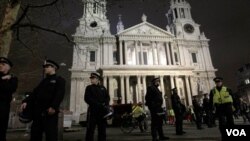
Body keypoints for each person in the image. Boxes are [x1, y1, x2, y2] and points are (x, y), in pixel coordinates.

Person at [20, 59, 65, 141]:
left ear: (54, 68)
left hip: (49, 112)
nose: (45, 68)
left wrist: (53, 107)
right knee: (35, 135)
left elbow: (59, 95)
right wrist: (25, 101)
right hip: (38, 113)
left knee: (51, 136)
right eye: (45, 67)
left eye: (47, 66)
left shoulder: (59, 80)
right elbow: (34, 93)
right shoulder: (44, 81)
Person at [84, 72, 111, 141]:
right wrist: (98, 104)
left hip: (102, 112)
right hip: (93, 111)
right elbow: (87, 98)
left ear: (98, 79)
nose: (91, 79)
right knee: (90, 130)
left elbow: (107, 97)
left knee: (102, 130)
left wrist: (106, 105)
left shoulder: (103, 88)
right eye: (91, 78)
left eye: (93, 78)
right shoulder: (89, 88)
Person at [209, 76, 234, 141]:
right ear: (215, 83)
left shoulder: (227, 89)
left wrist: (236, 108)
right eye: (216, 82)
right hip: (219, 108)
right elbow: (211, 101)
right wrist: (211, 109)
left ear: (221, 82)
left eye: (219, 82)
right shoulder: (213, 91)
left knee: (230, 122)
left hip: (228, 107)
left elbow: (234, 98)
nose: (218, 83)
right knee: (222, 124)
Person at [0, 57, 18, 141]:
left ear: (8, 67)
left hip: (3, 106)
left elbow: (10, 89)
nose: (0, 65)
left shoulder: (13, 78)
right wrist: (2, 79)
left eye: (3, 64)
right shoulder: (4, 78)